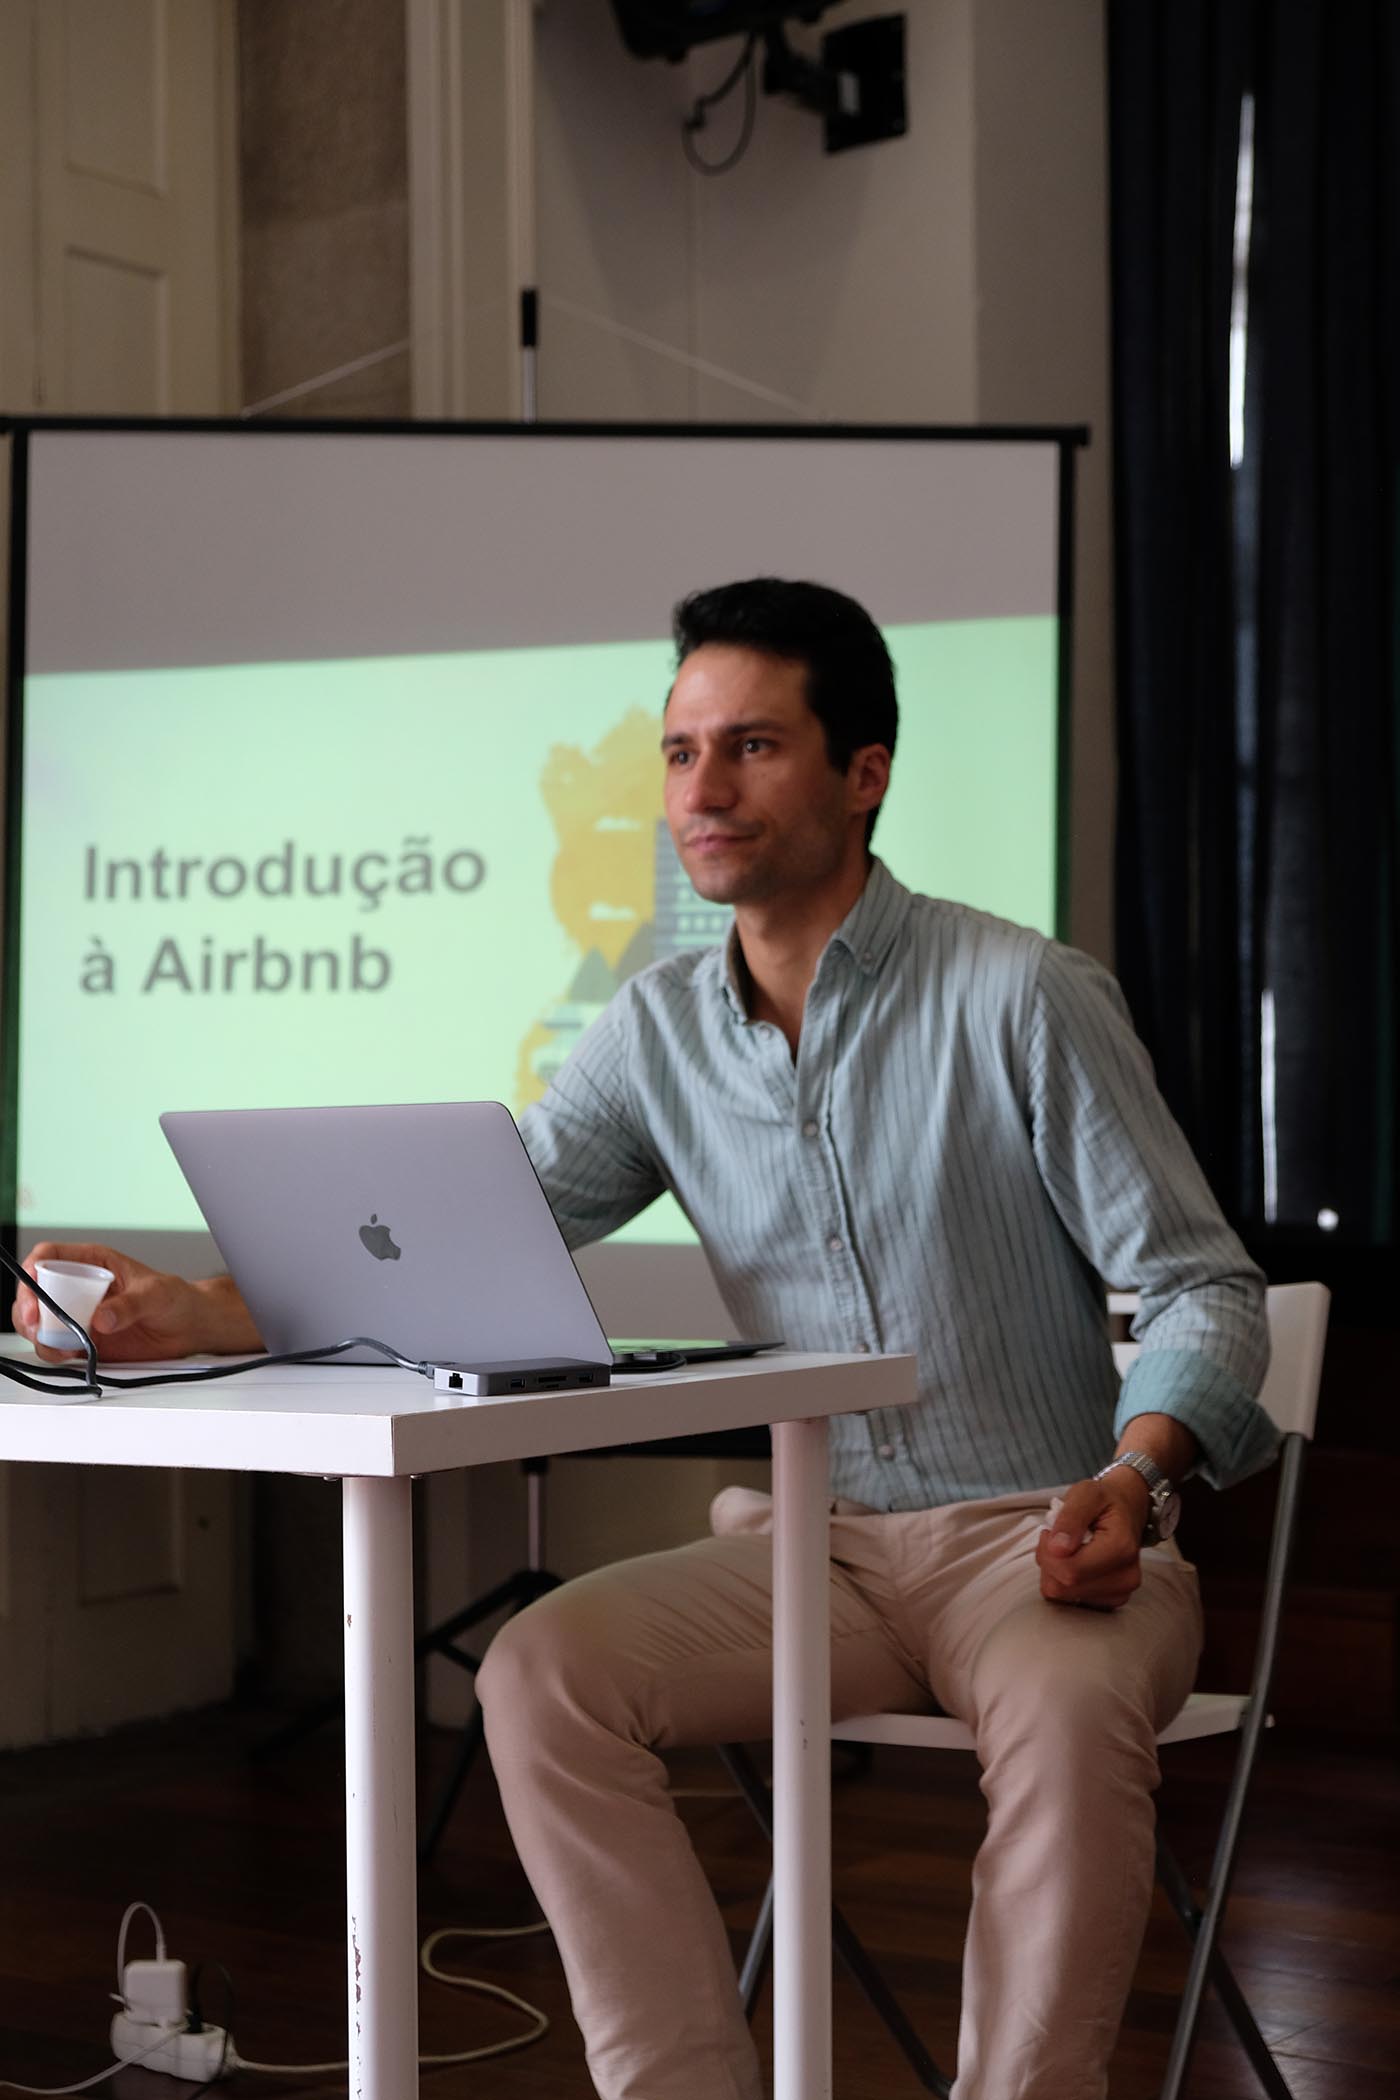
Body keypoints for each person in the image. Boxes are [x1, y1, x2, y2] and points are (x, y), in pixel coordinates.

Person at [14, 579, 1275, 2100]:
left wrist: (1137, 1481)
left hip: (1047, 1543)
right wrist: (191, 1307)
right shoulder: (654, 1027)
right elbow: (474, 1232)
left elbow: (1203, 1287)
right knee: (538, 1675)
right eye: (681, 752)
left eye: (753, 746)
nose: (702, 789)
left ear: (865, 772)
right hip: (819, 1551)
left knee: (1068, 1723)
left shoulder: (1025, 994)